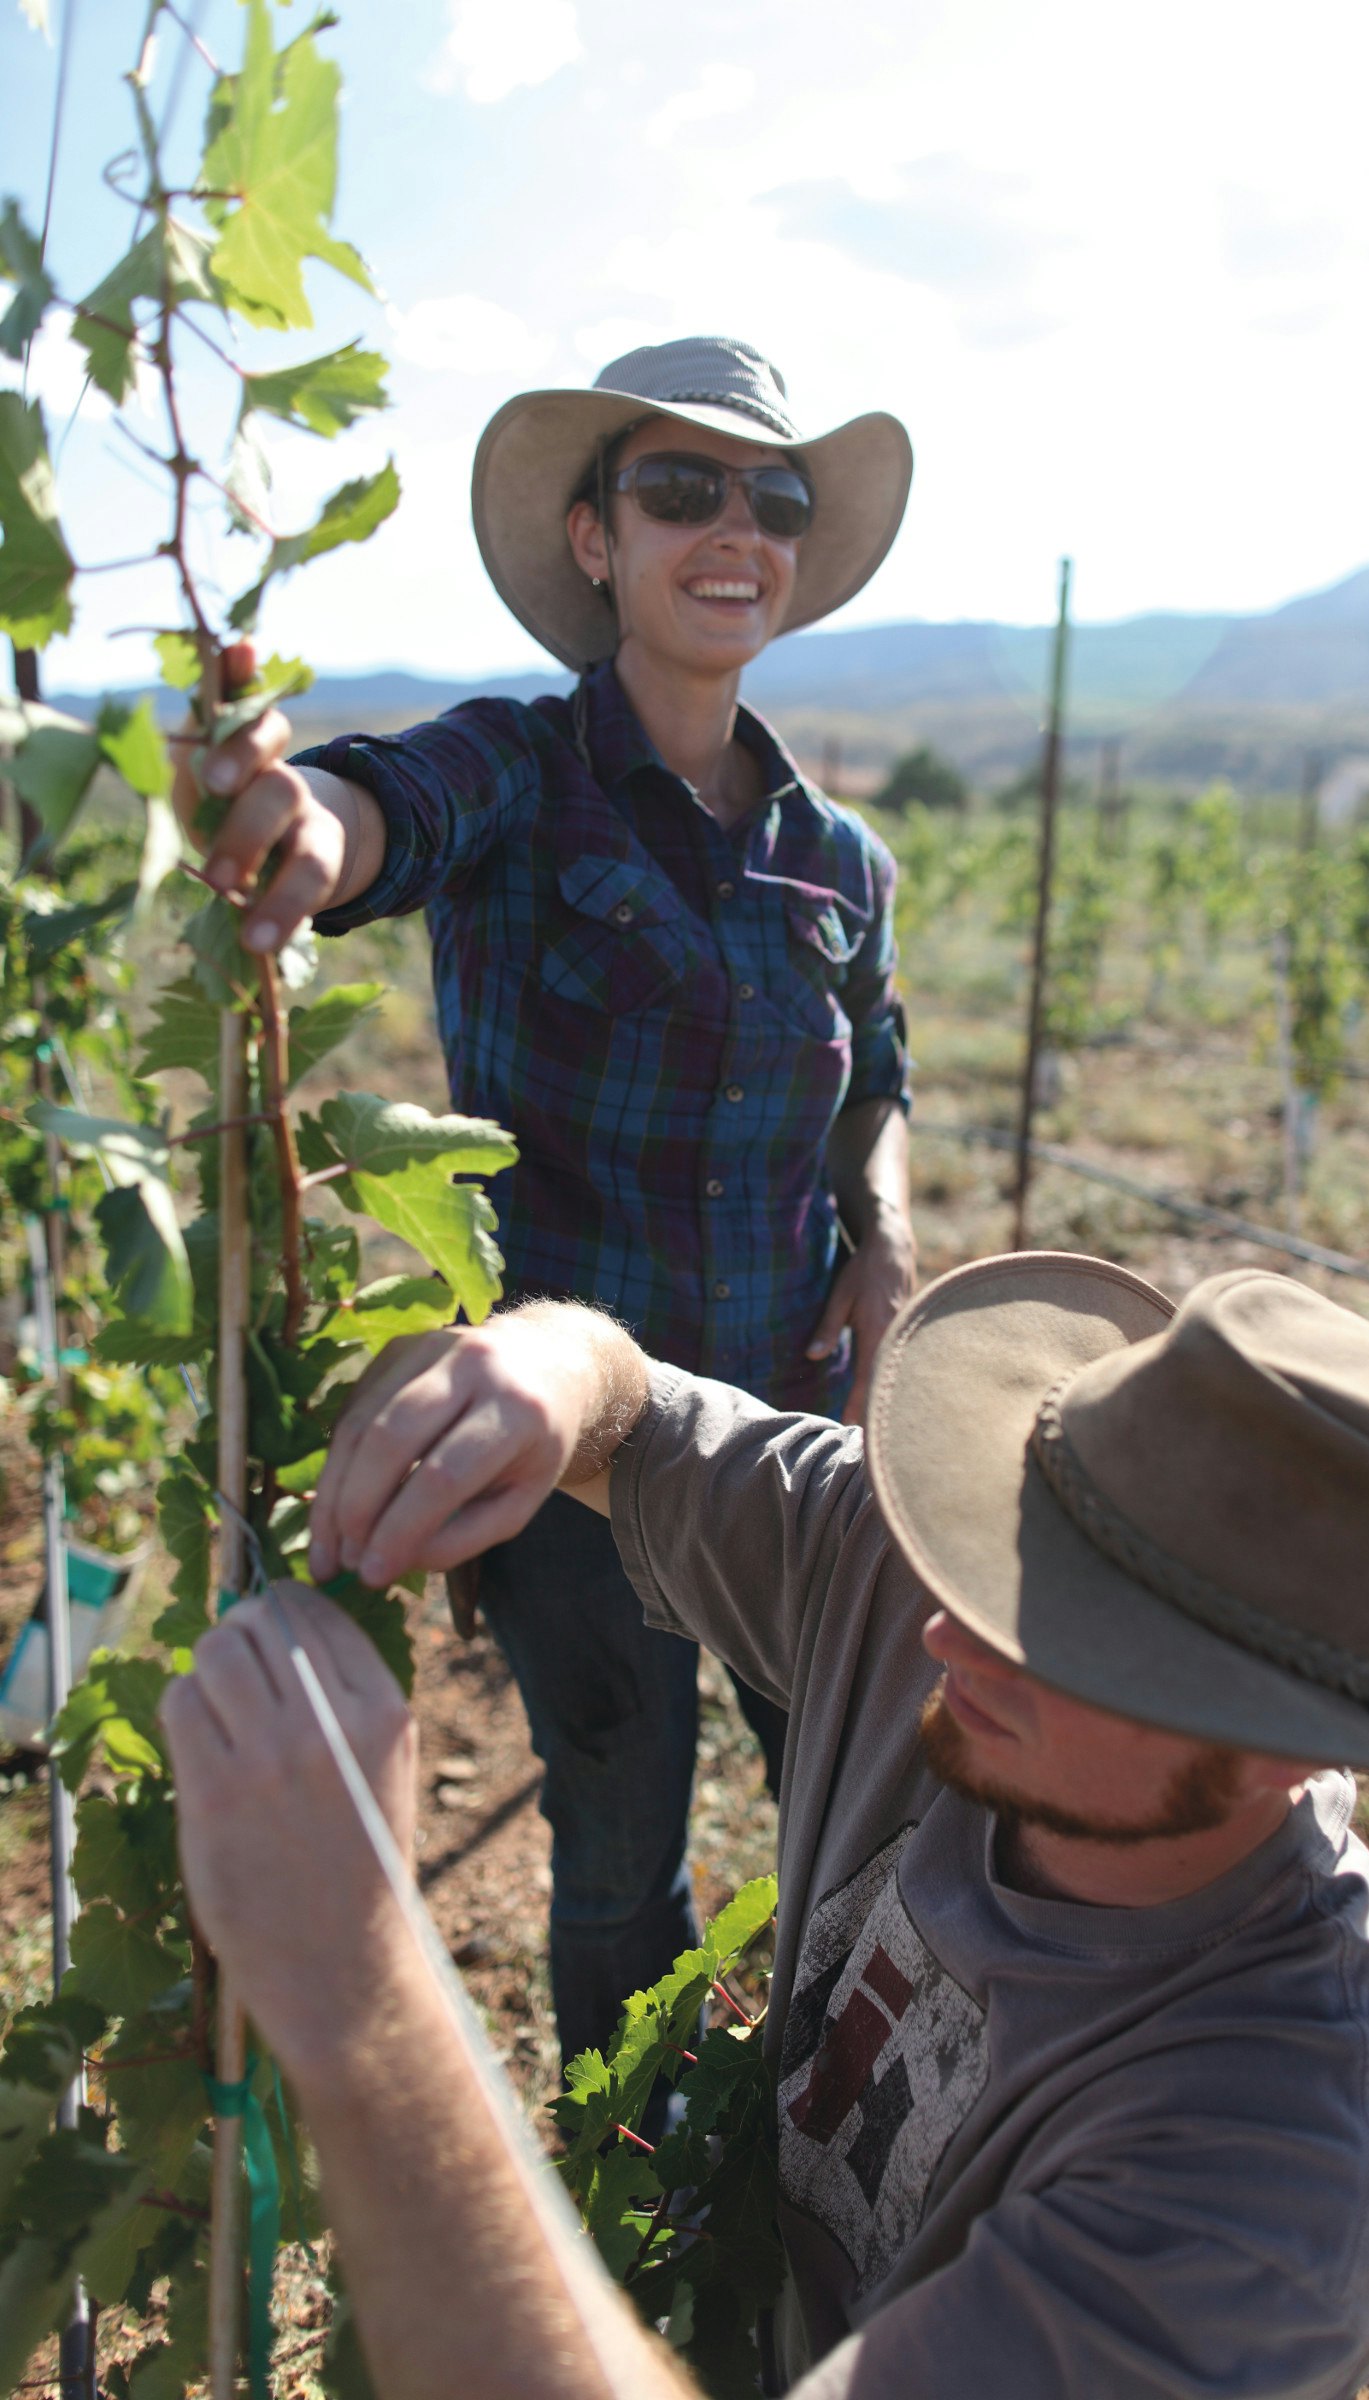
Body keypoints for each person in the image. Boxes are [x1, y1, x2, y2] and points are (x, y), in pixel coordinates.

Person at [162, 1253, 1369, 2400]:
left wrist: (358, 1986)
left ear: (1287, 1753)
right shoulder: (932, 1600)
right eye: (1013, 1546)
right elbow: (634, 1408)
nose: (956, 1629)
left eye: (1072, 1638)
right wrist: (541, 1366)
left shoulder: (1281, 2157)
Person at [174, 337, 919, 2076]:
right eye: (680, 489)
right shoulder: (516, 770)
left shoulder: (839, 858)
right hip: (568, 1468)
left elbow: (875, 1069)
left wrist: (879, 1237)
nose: (733, 527)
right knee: (620, 1863)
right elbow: (377, 813)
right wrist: (299, 823)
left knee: (872, 1828)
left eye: (774, 498)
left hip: (796, 1450)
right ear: (594, 541)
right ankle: (628, 2181)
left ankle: (839, 2163)